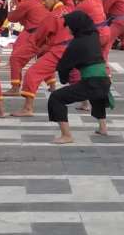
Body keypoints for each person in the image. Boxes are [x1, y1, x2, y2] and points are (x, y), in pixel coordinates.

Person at [47, 11, 112, 144]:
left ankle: (66, 135)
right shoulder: (94, 35)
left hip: (92, 82)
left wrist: (63, 78)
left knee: (56, 98)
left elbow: (64, 67)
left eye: (69, 25)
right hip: (104, 80)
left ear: (77, 26)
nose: (68, 28)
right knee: (97, 96)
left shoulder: (77, 44)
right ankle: (103, 128)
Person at [10, 0, 71, 117]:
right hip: (76, 48)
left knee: (32, 73)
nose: (43, 3)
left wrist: (33, 47)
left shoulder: (52, 16)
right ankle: (89, 105)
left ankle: (28, 107)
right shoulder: (69, 8)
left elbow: (38, 37)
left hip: (58, 50)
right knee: (80, 77)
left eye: (45, 0)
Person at [4, 0, 48, 96]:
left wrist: (15, 5)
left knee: (16, 58)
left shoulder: (29, 1)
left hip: (34, 34)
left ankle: (15, 87)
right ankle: (52, 85)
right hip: (50, 34)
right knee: (45, 59)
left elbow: (13, 18)